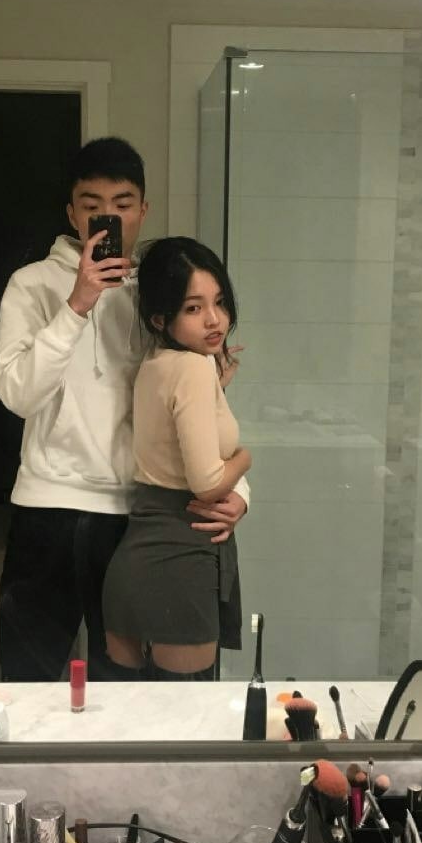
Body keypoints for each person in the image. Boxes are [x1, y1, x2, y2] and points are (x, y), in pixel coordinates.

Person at [0, 138, 248, 681]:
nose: (108, 217)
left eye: (123, 204)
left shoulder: (159, 294)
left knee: (126, 682)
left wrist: (238, 492)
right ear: (72, 213)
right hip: (49, 507)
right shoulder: (32, 286)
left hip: (141, 512)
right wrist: (77, 304)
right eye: (92, 205)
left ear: (143, 210)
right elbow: (18, 395)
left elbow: (196, 404)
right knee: (28, 674)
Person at [102, 237, 250, 681]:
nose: (214, 319)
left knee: (132, 713)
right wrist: (245, 458)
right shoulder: (193, 368)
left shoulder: (154, 364)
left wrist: (216, 391)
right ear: (159, 318)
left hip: (135, 559)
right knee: (188, 716)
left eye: (219, 302)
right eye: (193, 308)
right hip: (181, 557)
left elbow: (170, 441)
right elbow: (207, 482)